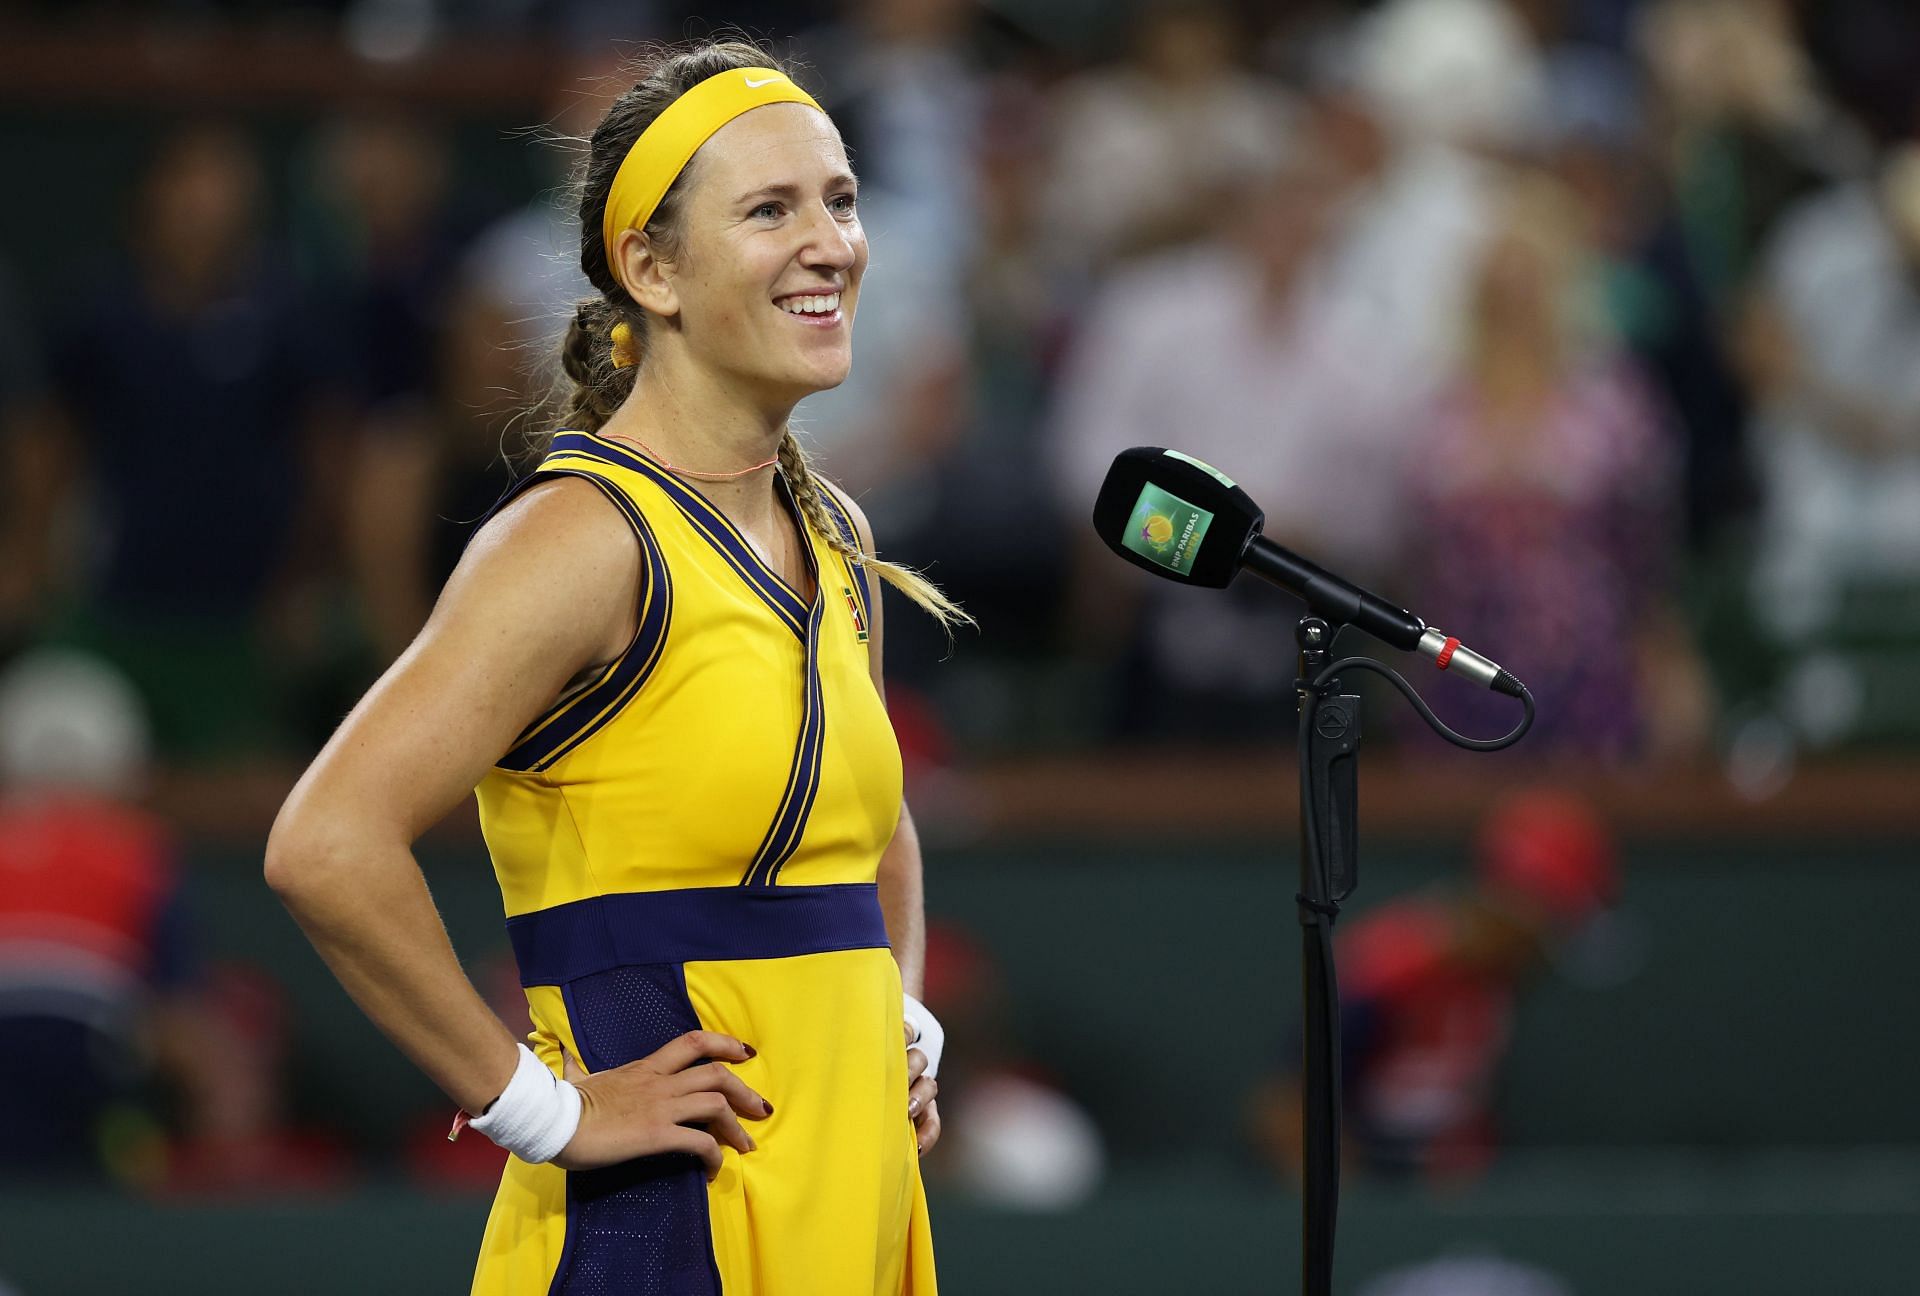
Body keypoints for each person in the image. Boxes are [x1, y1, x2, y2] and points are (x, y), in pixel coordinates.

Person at [265, 39, 966, 1295]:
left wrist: (896, 1015)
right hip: (662, 1227)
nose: (832, 244)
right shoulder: (577, 541)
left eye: (840, 199)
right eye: (769, 209)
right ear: (651, 268)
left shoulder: (832, 529)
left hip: (851, 1199)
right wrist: (542, 1111)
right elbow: (327, 844)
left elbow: (874, 823)